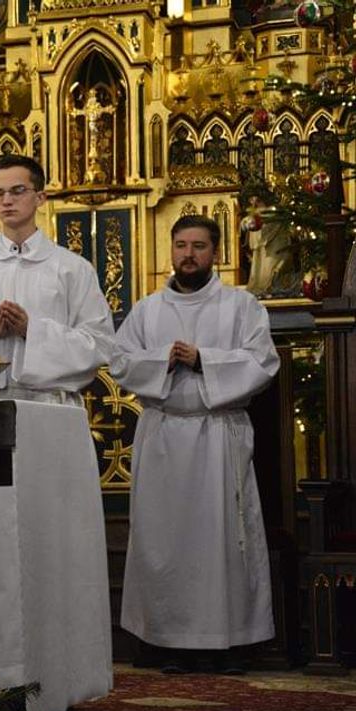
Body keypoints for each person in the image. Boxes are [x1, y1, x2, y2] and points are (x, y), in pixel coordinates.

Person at [111, 215, 279, 674]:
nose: (189, 254)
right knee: (163, 542)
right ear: (171, 250)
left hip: (217, 434)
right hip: (164, 434)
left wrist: (205, 359)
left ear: (217, 253)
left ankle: (226, 642)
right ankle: (166, 642)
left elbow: (263, 361)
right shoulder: (148, 309)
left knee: (221, 538)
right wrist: (162, 360)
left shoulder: (240, 306)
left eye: (199, 246)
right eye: (181, 245)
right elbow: (121, 362)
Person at [0, 154, 115, 404]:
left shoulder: (72, 268)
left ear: (40, 198)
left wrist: (32, 331)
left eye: (17, 191)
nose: (6, 201)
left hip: (51, 404)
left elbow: (99, 344)